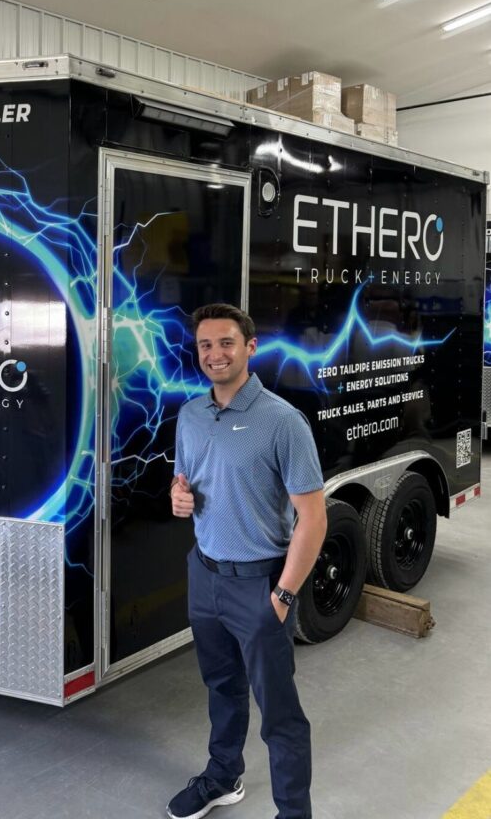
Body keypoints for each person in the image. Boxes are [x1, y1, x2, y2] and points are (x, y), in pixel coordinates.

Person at [167, 303, 327, 819]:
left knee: (279, 713)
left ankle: (293, 813)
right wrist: (178, 495)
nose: (215, 354)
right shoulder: (191, 414)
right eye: (205, 345)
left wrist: (282, 595)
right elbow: (184, 478)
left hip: (260, 583)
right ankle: (223, 776)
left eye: (226, 343)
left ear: (249, 348)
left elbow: (313, 518)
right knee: (222, 688)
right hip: (205, 573)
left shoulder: (282, 422)